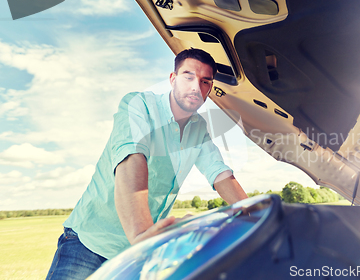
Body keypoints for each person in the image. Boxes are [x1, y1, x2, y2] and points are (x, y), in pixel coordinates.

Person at [45, 48, 248, 280]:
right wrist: (140, 233)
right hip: (90, 243)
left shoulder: (199, 129)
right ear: (173, 79)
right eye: (188, 77)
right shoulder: (138, 104)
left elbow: (219, 173)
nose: (196, 87)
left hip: (136, 254)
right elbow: (133, 156)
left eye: (205, 81)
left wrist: (256, 213)